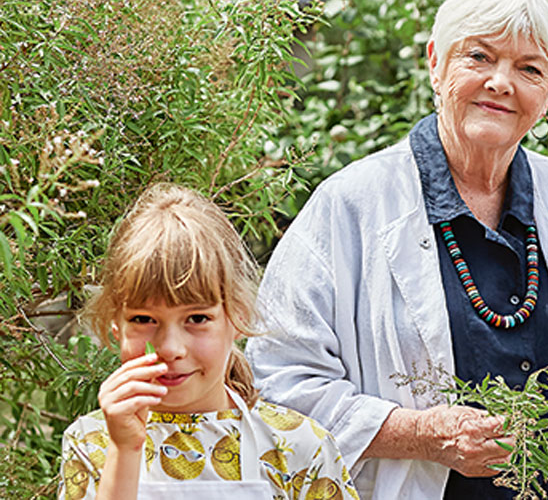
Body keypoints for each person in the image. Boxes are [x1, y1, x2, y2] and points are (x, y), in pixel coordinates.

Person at [244, 0, 548, 500]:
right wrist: (423, 435)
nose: (501, 82)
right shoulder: (351, 205)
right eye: (479, 56)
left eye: (530, 69)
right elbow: (277, 378)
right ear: (436, 62)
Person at [58, 184, 359, 500]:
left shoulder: (299, 447)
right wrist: (125, 450)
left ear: (238, 318)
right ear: (115, 325)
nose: (171, 348)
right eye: (144, 320)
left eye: (197, 318)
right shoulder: (92, 443)